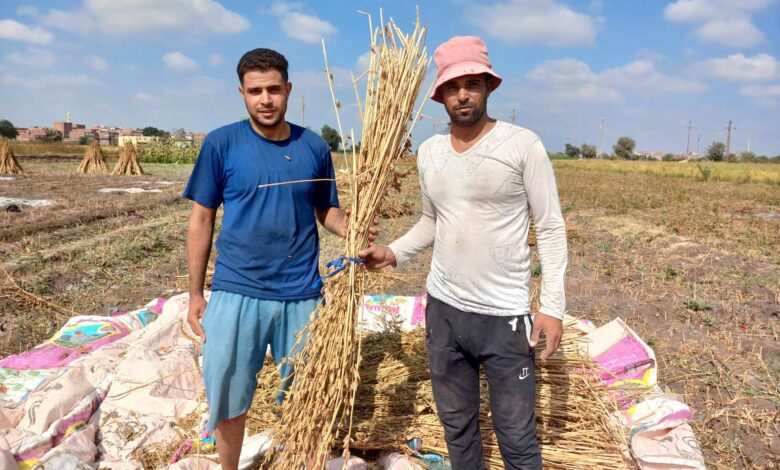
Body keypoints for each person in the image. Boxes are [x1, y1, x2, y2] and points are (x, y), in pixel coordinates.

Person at [359, 36, 568, 469]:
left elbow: (549, 226)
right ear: (440, 96)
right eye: (453, 87)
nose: (462, 94)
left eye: (472, 83)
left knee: (516, 437)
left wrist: (552, 306)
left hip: (504, 317)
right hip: (444, 311)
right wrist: (392, 253)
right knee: (457, 427)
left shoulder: (521, 145)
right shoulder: (430, 152)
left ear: (489, 86)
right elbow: (433, 220)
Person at [183, 48, 374, 470]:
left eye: (273, 89)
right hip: (236, 292)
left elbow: (326, 210)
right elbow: (201, 218)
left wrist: (353, 230)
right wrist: (195, 293)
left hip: (302, 295)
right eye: (255, 91)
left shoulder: (313, 147)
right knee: (229, 397)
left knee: (309, 397)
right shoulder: (221, 143)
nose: (265, 99)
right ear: (242, 93)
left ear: (288, 90)